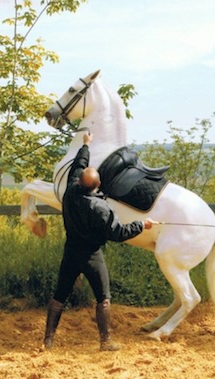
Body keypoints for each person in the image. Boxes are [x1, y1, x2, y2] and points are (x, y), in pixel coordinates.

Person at [43, 132, 157, 352]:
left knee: (59, 296)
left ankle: (48, 340)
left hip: (71, 253)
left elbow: (79, 164)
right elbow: (118, 233)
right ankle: (105, 342)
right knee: (103, 297)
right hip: (92, 256)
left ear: (79, 182)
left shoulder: (69, 194)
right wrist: (142, 225)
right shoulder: (101, 208)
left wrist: (86, 145)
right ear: (98, 185)